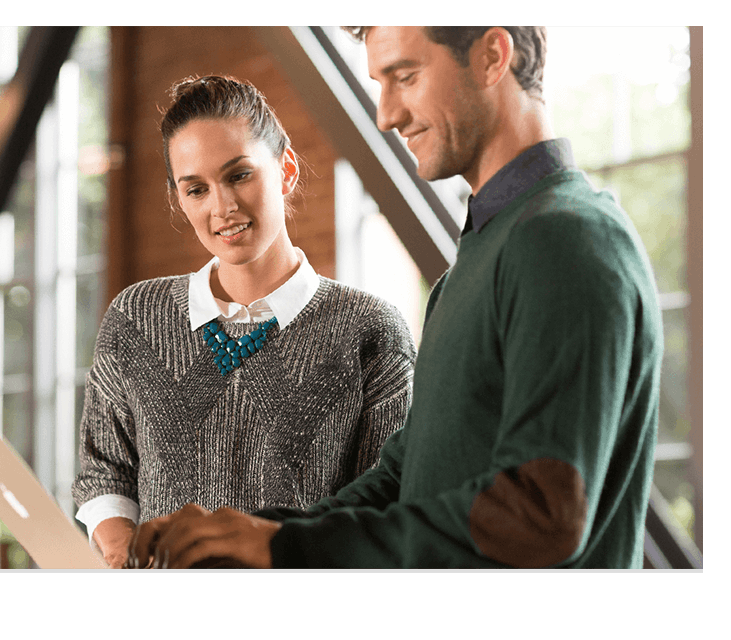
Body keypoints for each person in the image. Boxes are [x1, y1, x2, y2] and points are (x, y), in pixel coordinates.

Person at [129, 26, 664, 569]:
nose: (387, 115)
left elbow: (541, 515)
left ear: (491, 56)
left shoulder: (563, 240)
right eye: (380, 84)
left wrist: (284, 546)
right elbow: (403, 477)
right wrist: (255, 536)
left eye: (405, 77)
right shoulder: (478, 260)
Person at [72, 74, 417, 569]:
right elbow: (105, 474)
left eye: (239, 176)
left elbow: (384, 508)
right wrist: (120, 551)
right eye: (196, 189)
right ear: (179, 199)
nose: (223, 207)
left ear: (286, 169)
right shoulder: (136, 317)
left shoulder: (370, 330)